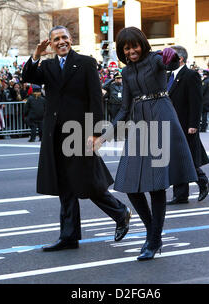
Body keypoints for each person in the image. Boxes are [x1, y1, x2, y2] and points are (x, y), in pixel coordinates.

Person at [22, 25, 131, 252]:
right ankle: (68, 236)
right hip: (55, 134)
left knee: (86, 181)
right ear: (50, 44)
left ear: (71, 40)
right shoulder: (48, 65)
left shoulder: (85, 63)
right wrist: (36, 55)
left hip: (79, 132)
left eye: (64, 38)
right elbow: (29, 76)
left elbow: (95, 99)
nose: (61, 42)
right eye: (56, 39)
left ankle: (120, 213)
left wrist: (95, 133)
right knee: (65, 185)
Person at [92, 27, 198, 261]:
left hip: (161, 116)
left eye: (134, 45)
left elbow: (170, 61)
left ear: (142, 43)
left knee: (156, 185)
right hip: (139, 122)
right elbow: (124, 108)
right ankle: (153, 233)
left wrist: (168, 54)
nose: (131, 51)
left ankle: (153, 239)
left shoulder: (156, 60)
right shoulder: (127, 72)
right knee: (130, 185)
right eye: (126, 48)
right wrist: (104, 135)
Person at [166, 45, 209, 205]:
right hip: (173, 124)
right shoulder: (169, 76)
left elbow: (196, 101)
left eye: (169, 57)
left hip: (186, 124)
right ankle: (181, 194)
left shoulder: (190, 75)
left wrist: (194, 123)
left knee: (186, 158)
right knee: (178, 159)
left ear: (180, 59)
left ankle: (202, 180)